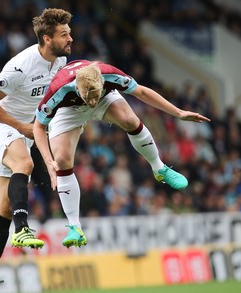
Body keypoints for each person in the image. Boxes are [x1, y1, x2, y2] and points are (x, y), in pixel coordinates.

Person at [33, 60, 211, 248]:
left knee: (129, 119)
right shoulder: (58, 89)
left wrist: (179, 112)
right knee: (61, 160)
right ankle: (74, 227)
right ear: (77, 87)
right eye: (89, 97)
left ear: (102, 82)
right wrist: (48, 161)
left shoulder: (110, 74)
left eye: (95, 94)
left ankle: (159, 168)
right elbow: (38, 127)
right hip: (69, 109)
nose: (92, 102)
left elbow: (141, 92)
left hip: (105, 98)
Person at [0, 8, 73, 293]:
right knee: (25, 164)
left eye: (69, 32)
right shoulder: (21, 66)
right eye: (64, 34)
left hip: (24, 130)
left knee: (4, 204)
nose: (70, 38)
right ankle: (22, 228)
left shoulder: (61, 61)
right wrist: (21, 126)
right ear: (46, 38)